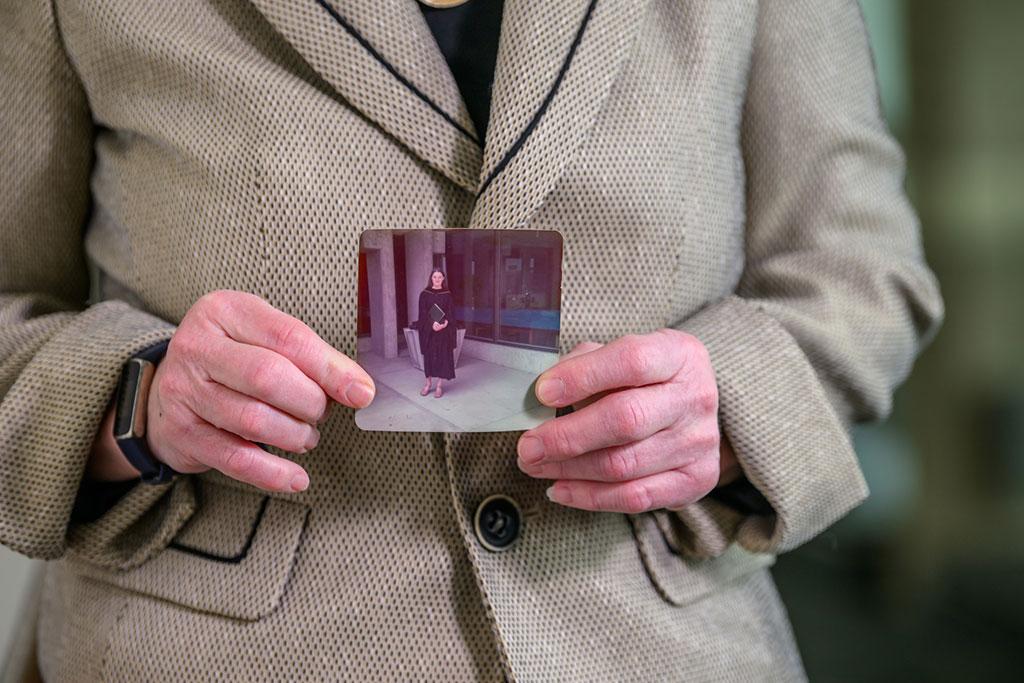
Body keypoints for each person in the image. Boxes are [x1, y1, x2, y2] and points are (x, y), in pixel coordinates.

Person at [0, 0, 945, 680]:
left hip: (654, 645)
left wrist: (731, 404)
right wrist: (136, 404)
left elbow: (861, 271)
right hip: (212, 651)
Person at [417, 268, 458, 398]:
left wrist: (445, 323)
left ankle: (439, 386)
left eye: (440, 277)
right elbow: (422, 313)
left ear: (443, 279)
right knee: (429, 358)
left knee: (442, 358)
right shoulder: (424, 294)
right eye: (435, 277)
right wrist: (431, 324)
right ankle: (428, 384)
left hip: (443, 332)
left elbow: (451, 312)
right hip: (429, 332)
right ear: (431, 278)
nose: (437, 279)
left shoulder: (447, 294)